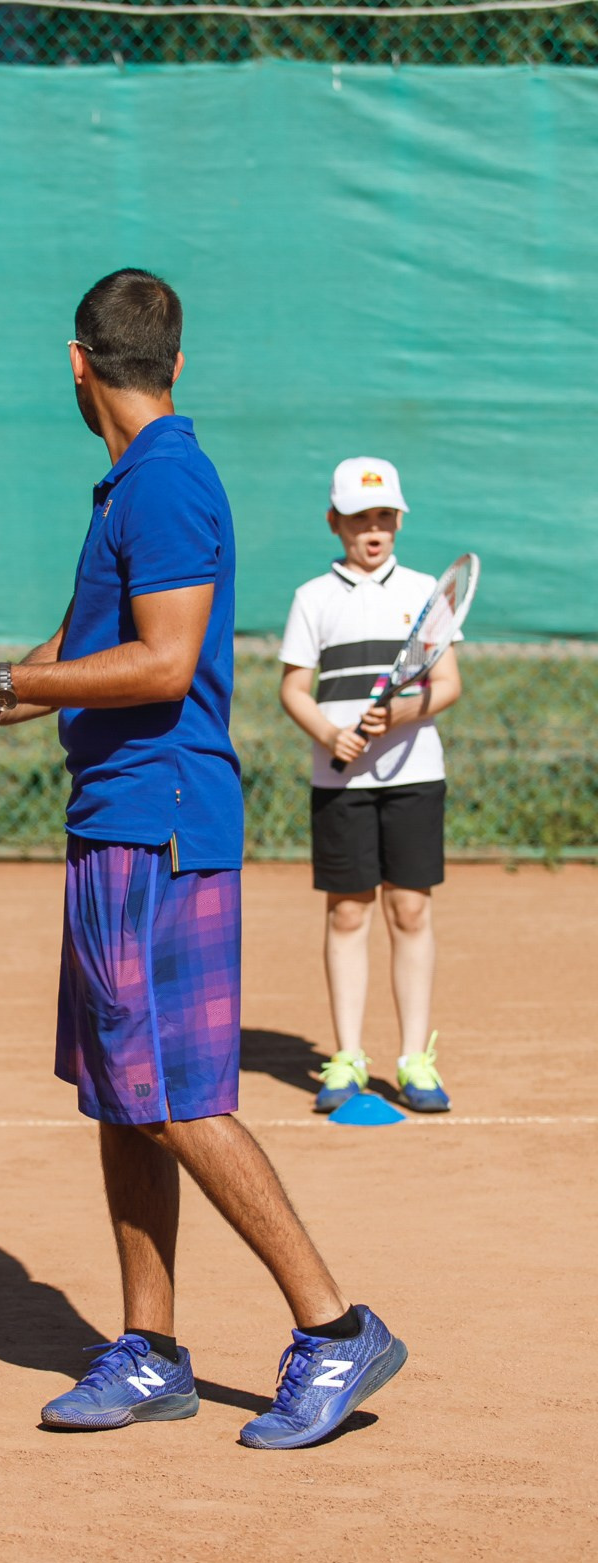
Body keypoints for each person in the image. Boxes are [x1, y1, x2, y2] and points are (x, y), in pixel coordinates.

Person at [0, 268, 406, 1449]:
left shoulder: (169, 482)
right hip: (112, 818)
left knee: (176, 1100)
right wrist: (8, 699)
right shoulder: (131, 485)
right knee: (120, 1101)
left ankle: (334, 1331)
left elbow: (163, 661)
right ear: (172, 364)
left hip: (163, 826)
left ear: (75, 362)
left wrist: (9, 682)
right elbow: (101, 645)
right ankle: (149, 1350)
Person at [278, 459, 463, 1114]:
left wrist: (405, 714)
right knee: (349, 910)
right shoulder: (312, 598)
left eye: (384, 516)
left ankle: (415, 1057)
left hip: (415, 776)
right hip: (340, 781)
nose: (373, 529)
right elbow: (293, 689)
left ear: (399, 521)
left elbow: (447, 685)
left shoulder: (425, 592)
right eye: (359, 517)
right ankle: (347, 1056)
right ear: (335, 523)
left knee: (409, 909)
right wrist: (331, 737)